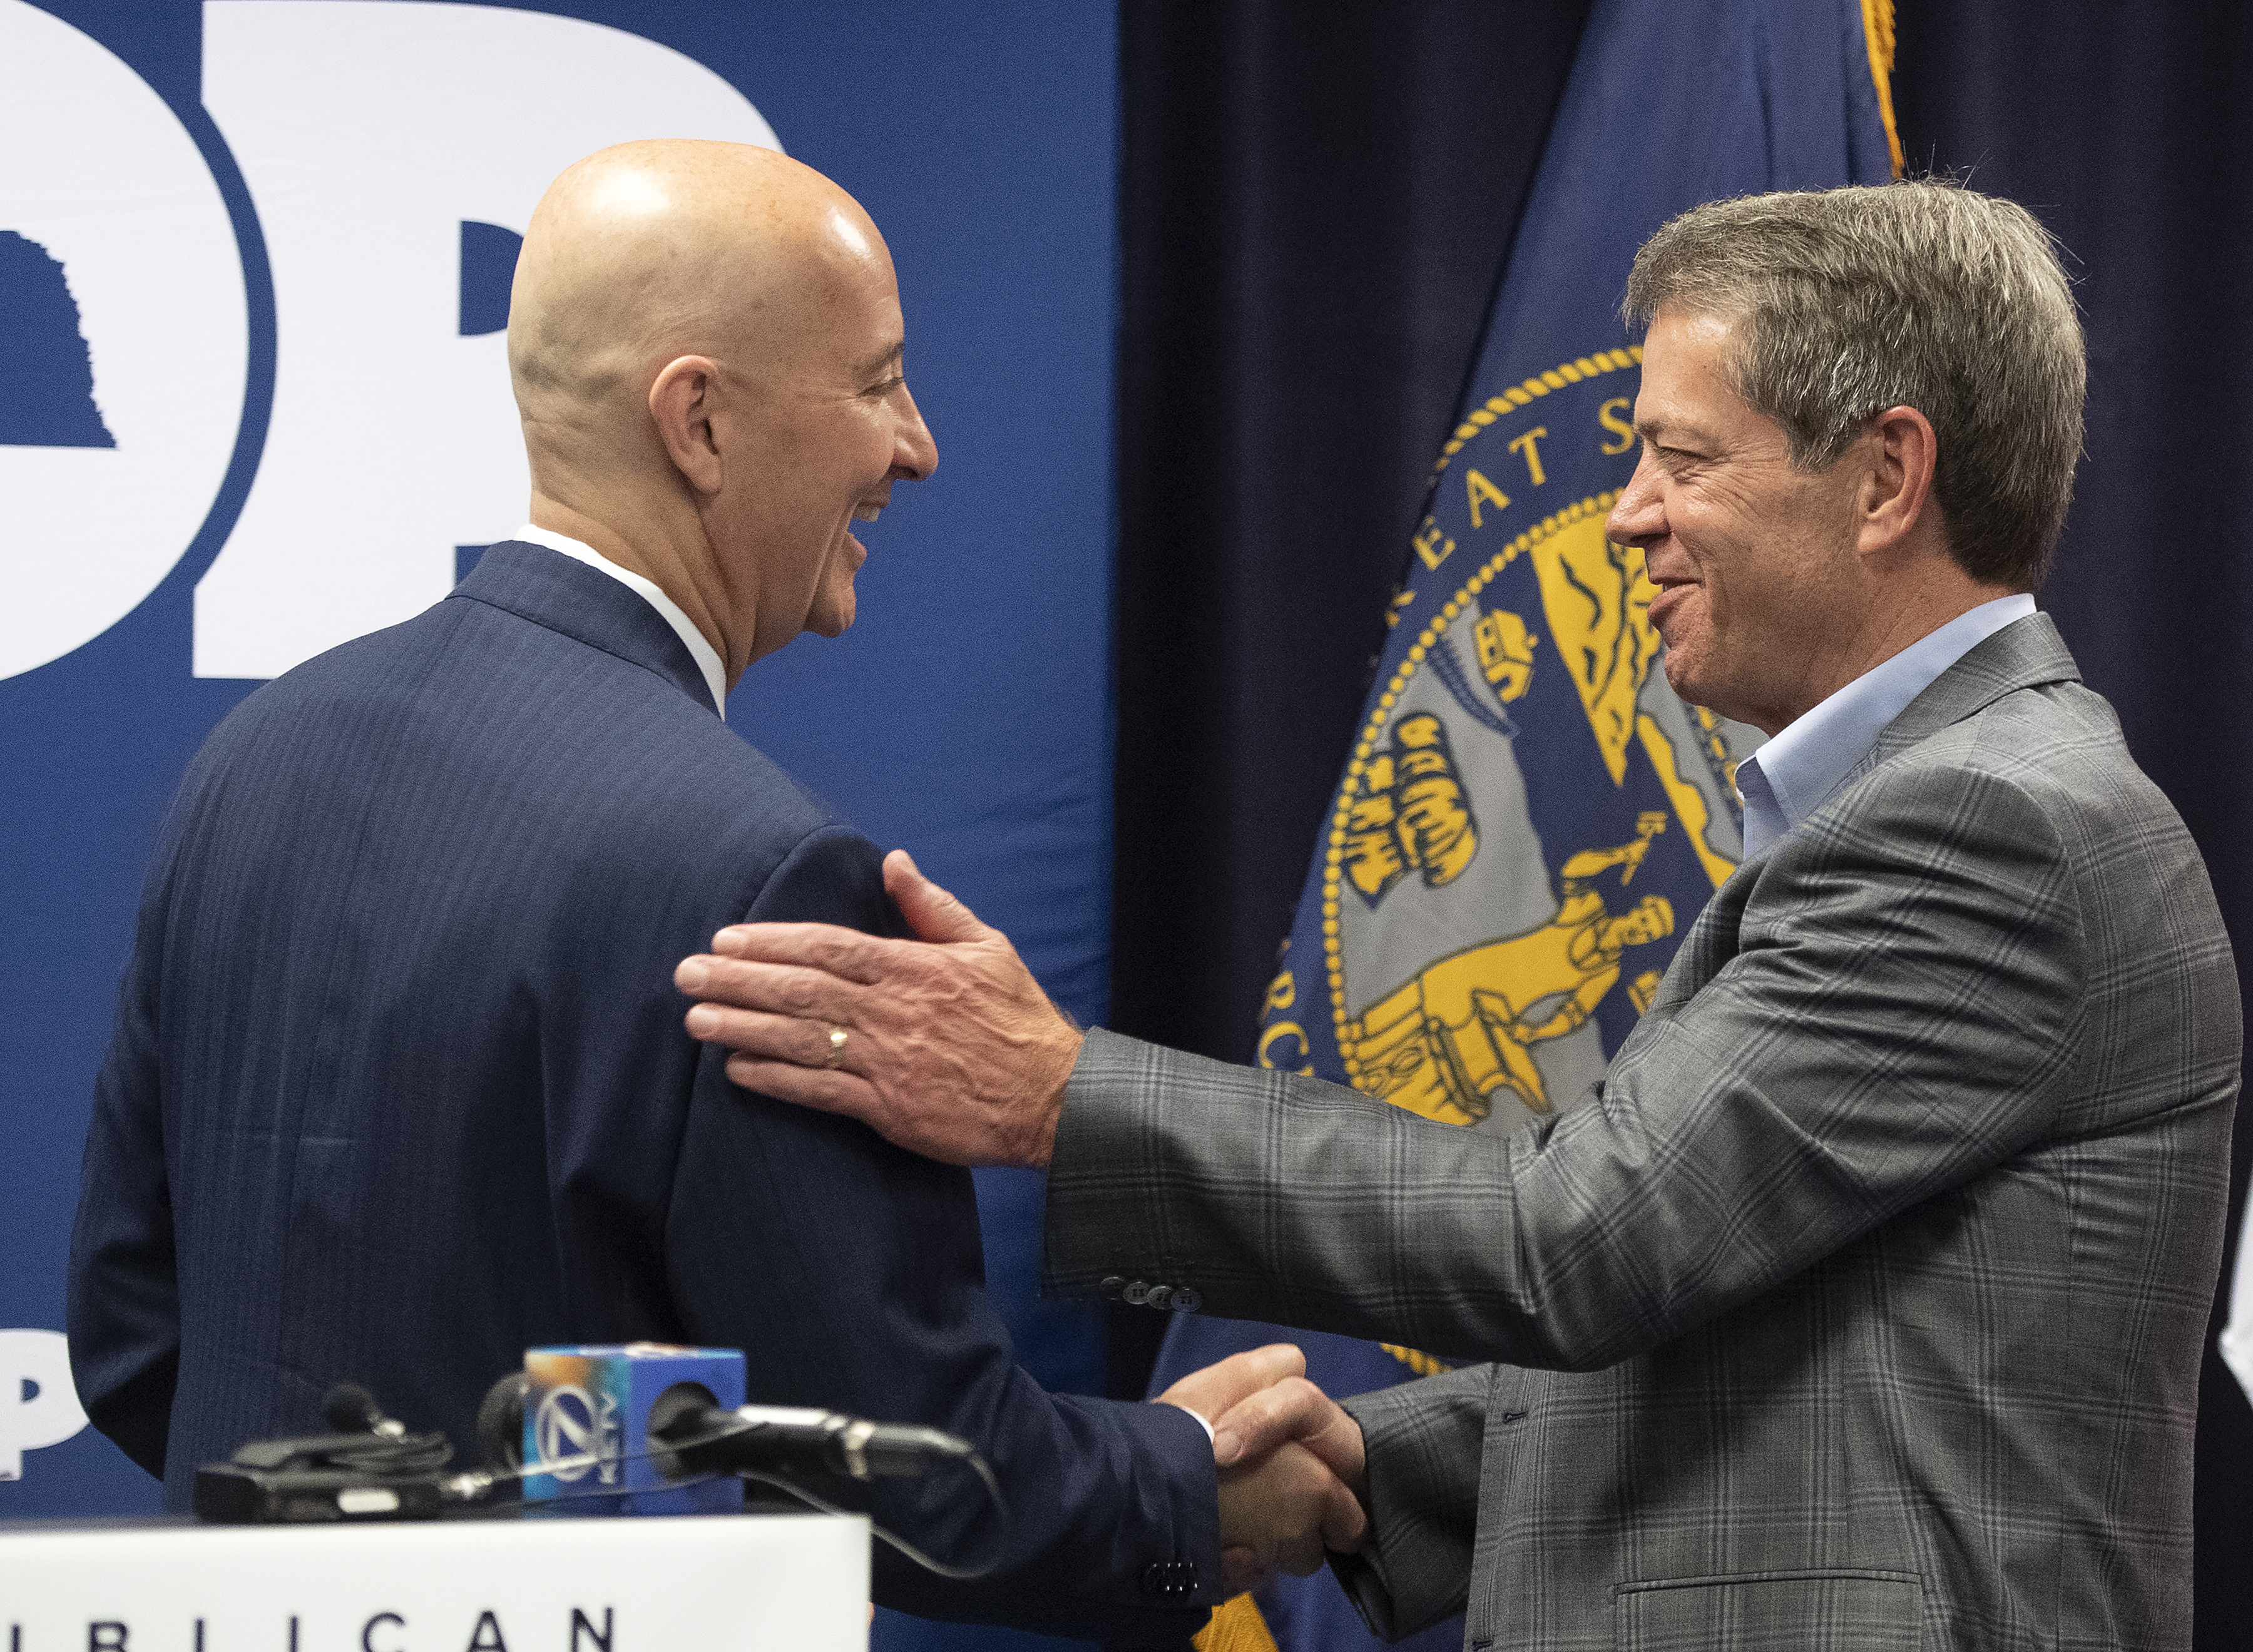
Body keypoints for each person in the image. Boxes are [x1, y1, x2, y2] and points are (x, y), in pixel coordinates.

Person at [672, 180, 2242, 1649]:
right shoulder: (1930, 803)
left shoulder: (1990, 825)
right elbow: (1781, 1349)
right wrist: (1366, 1461)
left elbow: (1581, 1239)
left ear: (1887, 477)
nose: (1627, 517)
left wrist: (1059, 1102)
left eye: (1683, 461)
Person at [66, 140, 1361, 1642]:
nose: (918, 446)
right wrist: (1195, 1495)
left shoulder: (254, 761)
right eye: (879, 382)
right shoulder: (765, 877)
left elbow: (133, 1334)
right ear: (699, 421)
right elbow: (911, 1479)